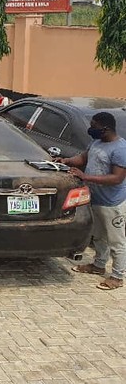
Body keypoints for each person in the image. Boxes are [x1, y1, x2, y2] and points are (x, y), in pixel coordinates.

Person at [57, 112, 126, 291]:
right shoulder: (97, 142)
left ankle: (118, 276)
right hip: (94, 198)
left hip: (112, 203)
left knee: (116, 241)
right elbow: (83, 158)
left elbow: (117, 178)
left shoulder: (120, 149)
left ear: (105, 128)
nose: (91, 128)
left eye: (94, 126)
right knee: (98, 236)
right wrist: (64, 161)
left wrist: (85, 176)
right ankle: (98, 265)